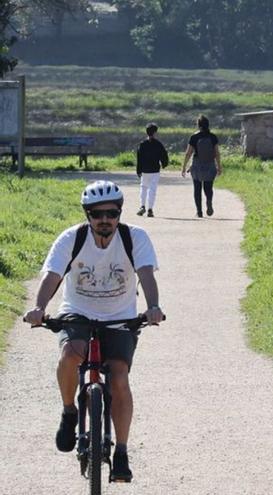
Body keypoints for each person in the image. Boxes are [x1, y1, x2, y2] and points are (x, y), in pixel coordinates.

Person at [23, 180, 165, 483]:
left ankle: (122, 452)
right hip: (78, 311)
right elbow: (52, 276)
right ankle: (69, 411)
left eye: (111, 213)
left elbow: (146, 274)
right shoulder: (71, 239)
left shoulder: (134, 238)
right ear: (87, 215)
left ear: (119, 213)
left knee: (119, 377)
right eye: (97, 214)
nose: (105, 220)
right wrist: (38, 308)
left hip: (121, 317)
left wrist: (153, 306)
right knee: (71, 355)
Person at [181, 115, 222, 218]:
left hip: (197, 165)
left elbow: (188, 153)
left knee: (197, 188)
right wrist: (219, 166)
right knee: (208, 187)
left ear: (198, 125)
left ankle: (199, 212)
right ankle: (209, 200)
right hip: (210, 164)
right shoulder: (213, 137)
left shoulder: (194, 137)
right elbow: (217, 153)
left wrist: (184, 166)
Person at [135, 123, 169, 218]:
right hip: (155, 170)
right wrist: (164, 164)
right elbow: (164, 155)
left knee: (143, 188)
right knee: (152, 190)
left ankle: (142, 206)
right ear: (154, 132)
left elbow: (139, 158)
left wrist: (138, 170)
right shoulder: (158, 144)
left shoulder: (142, 144)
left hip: (145, 170)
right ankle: (150, 209)